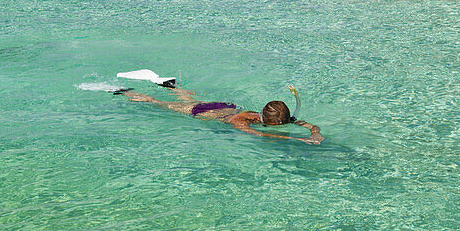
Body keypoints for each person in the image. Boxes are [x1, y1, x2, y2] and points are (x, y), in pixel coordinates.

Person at [114, 84, 322, 143]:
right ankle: (127, 92)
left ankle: (172, 86)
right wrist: (296, 139)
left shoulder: (271, 116)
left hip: (223, 105)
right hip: (207, 113)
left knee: (192, 98)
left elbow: (305, 123)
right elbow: (260, 135)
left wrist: (314, 132)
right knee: (159, 104)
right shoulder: (240, 122)